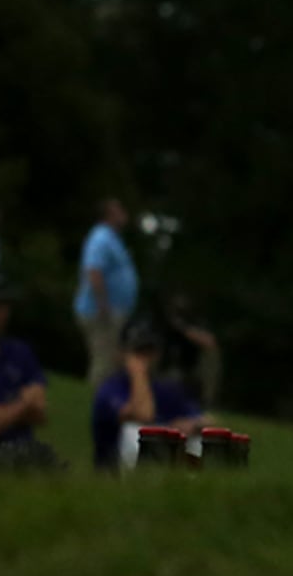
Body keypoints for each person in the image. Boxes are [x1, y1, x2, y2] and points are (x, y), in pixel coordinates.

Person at [90, 316, 202, 471]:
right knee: (133, 432)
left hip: (163, 464)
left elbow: (206, 421)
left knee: (197, 440)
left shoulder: (164, 389)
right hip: (114, 471)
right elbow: (143, 415)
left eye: (149, 351)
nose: (145, 359)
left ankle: (191, 485)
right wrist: (138, 372)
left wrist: (191, 425)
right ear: (122, 353)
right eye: (138, 352)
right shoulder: (110, 389)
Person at [0, 259, 57, 471]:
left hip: (23, 452)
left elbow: (40, 413)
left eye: (5, 306)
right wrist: (22, 404)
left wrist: (5, 413)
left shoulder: (19, 351)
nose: (2, 313)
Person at [75, 196, 136, 381]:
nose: (124, 213)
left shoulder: (112, 238)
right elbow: (93, 271)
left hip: (110, 310)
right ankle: (95, 401)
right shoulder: (101, 237)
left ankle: (101, 399)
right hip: (100, 310)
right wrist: (102, 304)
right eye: (119, 210)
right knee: (103, 360)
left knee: (109, 359)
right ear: (109, 215)